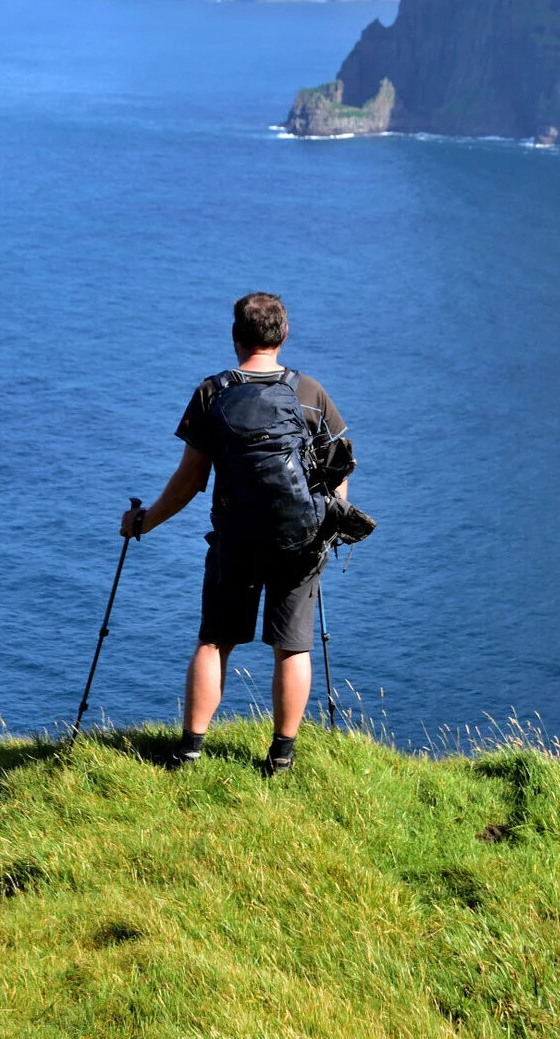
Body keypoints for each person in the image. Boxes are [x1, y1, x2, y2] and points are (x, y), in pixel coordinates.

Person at [120, 291, 350, 774]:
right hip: (301, 541)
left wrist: (144, 522)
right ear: (284, 336)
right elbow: (338, 467)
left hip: (235, 541)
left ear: (235, 336)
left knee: (214, 642)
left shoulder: (213, 393)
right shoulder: (310, 393)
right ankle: (281, 756)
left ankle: (188, 751)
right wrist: (333, 520)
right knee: (292, 646)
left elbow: (188, 483)